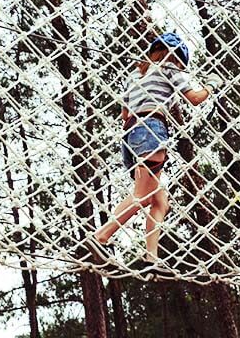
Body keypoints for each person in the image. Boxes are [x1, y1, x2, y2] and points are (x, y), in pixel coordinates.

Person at [87, 32, 222, 273]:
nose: (181, 66)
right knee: (142, 195)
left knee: (160, 201)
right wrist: (212, 85)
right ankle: (101, 237)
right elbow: (194, 98)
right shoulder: (170, 68)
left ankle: (152, 259)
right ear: (176, 57)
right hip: (151, 130)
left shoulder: (134, 76)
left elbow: (124, 114)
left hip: (131, 137)